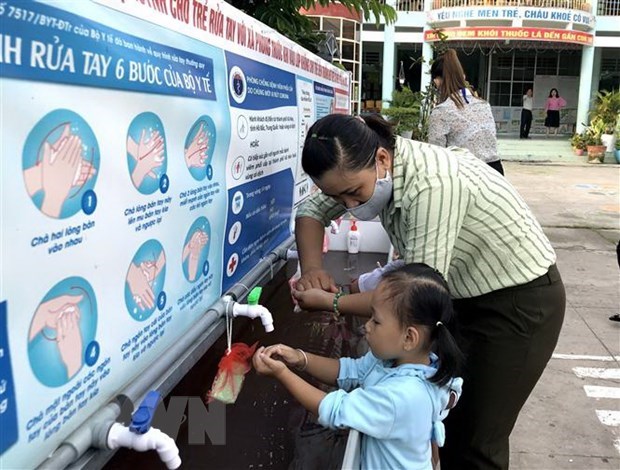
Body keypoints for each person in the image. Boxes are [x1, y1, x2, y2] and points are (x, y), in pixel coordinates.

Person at [292, 113, 566, 469]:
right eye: (337, 197)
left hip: (517, 304)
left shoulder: (430, 186)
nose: (349, 208)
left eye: (353, 194)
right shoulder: (361, 172)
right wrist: (313, 270)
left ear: (382, 159)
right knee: (447, 425)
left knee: (476, 438)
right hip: (459, 296)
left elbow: (414, 298)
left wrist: (335, 301)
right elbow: (312, 210)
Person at [254, 263, 465, 470]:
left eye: (377, 321)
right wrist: (299, 358)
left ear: (409, 337)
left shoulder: (401, 396)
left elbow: (336, 409)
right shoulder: (409, 362)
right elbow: (349, 371)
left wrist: (282, 373)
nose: (367, 326)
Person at [428, 49, 504, 175]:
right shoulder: (484, 105)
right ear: (463, 77)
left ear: (437, 81)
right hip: (496, 173)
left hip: (467, 174)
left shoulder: (441, 111)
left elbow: (437, 155)